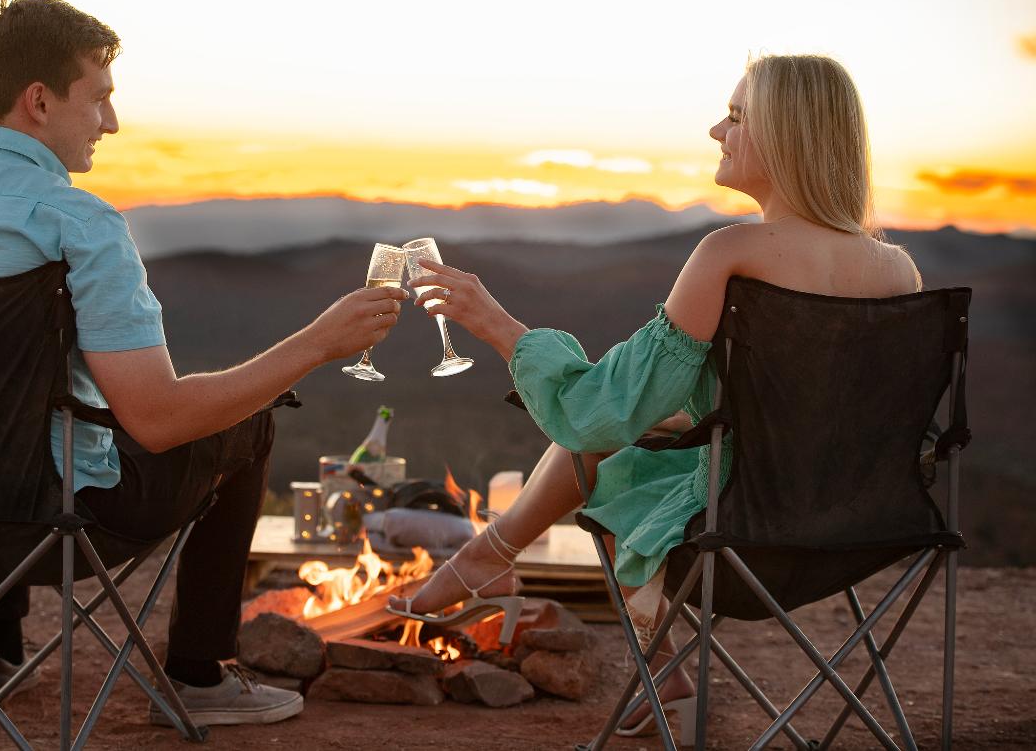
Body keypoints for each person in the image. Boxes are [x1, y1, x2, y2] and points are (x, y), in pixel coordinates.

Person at [0, 0, 407, 728]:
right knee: (249, 423)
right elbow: (156, 421)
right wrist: (317, 342)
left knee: (4, 417)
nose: (111, 123)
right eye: (100, 98)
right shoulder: (78, 223)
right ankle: (196, 672)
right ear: (38, 101)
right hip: (67, 519)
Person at [388, 54, 921, 738]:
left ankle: (496, 566)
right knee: (637, 425)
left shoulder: (729, 253)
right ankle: (491, 563)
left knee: (609, 452)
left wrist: (491, 319)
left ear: (787, 133)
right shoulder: (897, 271)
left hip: (739, 538)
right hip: (865, 525)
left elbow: (597, 409)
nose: (714, 130)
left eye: (735, 116)